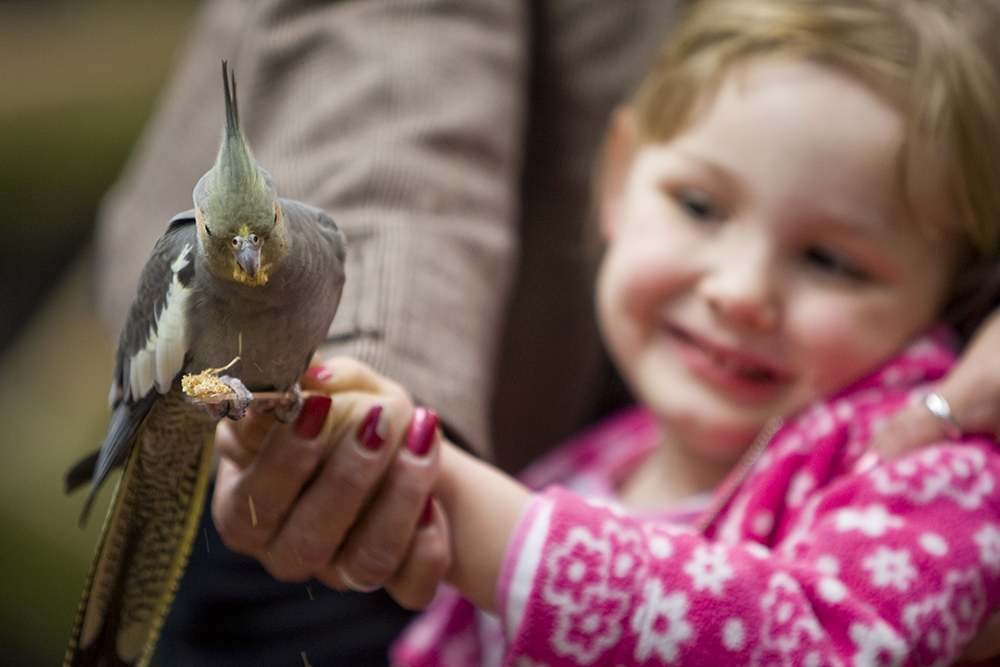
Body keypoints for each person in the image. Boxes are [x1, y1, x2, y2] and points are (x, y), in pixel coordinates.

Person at [213, 0, 1000, 664]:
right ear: (620, 177)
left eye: (831, 260)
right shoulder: (596, 460)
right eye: (700, 207)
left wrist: (455, 495)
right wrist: (360, 449)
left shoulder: (934, 477)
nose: (740, 293)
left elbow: (817, 642)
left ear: (950, 291)